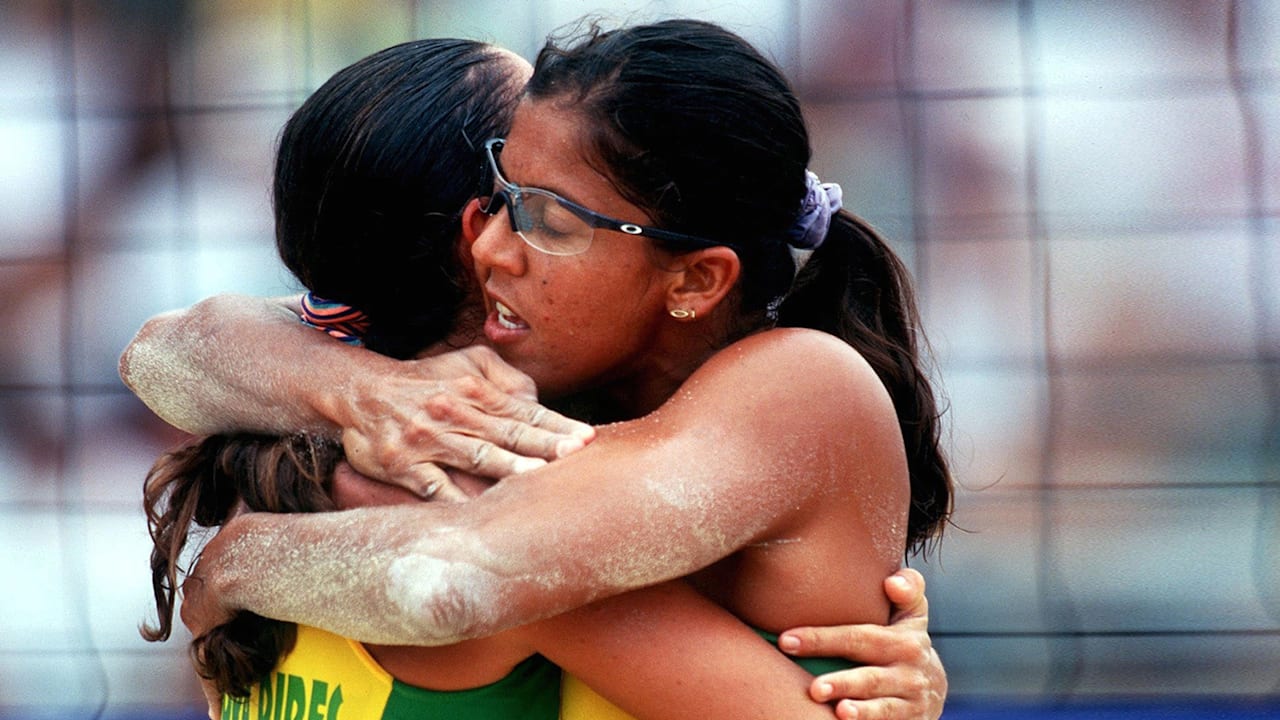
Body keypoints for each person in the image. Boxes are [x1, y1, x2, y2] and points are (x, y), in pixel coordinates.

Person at [125, 27, 949, 720]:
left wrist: (236, 561)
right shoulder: (423, 452)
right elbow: (167, 348)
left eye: (545, 217)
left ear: (698, 279)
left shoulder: (791, 389)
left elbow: (456, 576)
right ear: (456, 240)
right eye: (505, 193)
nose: (498, 245)